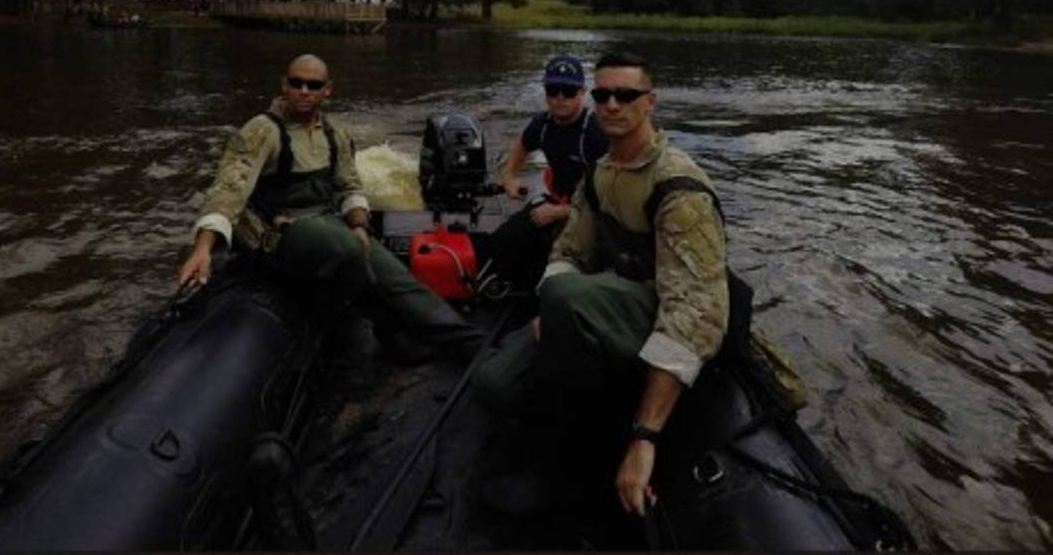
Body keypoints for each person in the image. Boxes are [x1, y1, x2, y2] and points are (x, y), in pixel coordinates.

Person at [474, 50, 729, 519]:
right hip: (608, 298)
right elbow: (568, 251)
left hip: (657, 309)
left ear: (649, 102)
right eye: (604, 94)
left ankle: (571, 447)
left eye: (625, 95)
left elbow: (697, 311)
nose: (612, 104)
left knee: (566, 297)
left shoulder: (678, 187)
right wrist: (549, 312)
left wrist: (645, 435)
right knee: (492, 383)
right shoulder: (599, 175)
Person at [178, 53, 484, 362]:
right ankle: (390, 332)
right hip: (278, 233)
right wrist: (203, 247)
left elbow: (349, 187)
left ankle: (472, 344)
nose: (304, 91)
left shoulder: (335, 134)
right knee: (347, 248)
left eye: (313, 85)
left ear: (328, 90)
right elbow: (228, 191)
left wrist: (361, 225)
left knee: (392, 272)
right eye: (296, 83)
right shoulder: (261, 132)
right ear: (284, 85)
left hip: (327, 222)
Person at [486, 54, 608, 289]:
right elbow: (520, 149)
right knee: (502, 241)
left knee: (557, 270)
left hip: (592, 214)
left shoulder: (595, 133)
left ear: (583, 93)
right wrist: (509, 177)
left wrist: (561, 212)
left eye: (568, 91)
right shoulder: (542, 124)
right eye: (553, 90)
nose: (560, 98)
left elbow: (610, 199)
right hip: (557, 201)